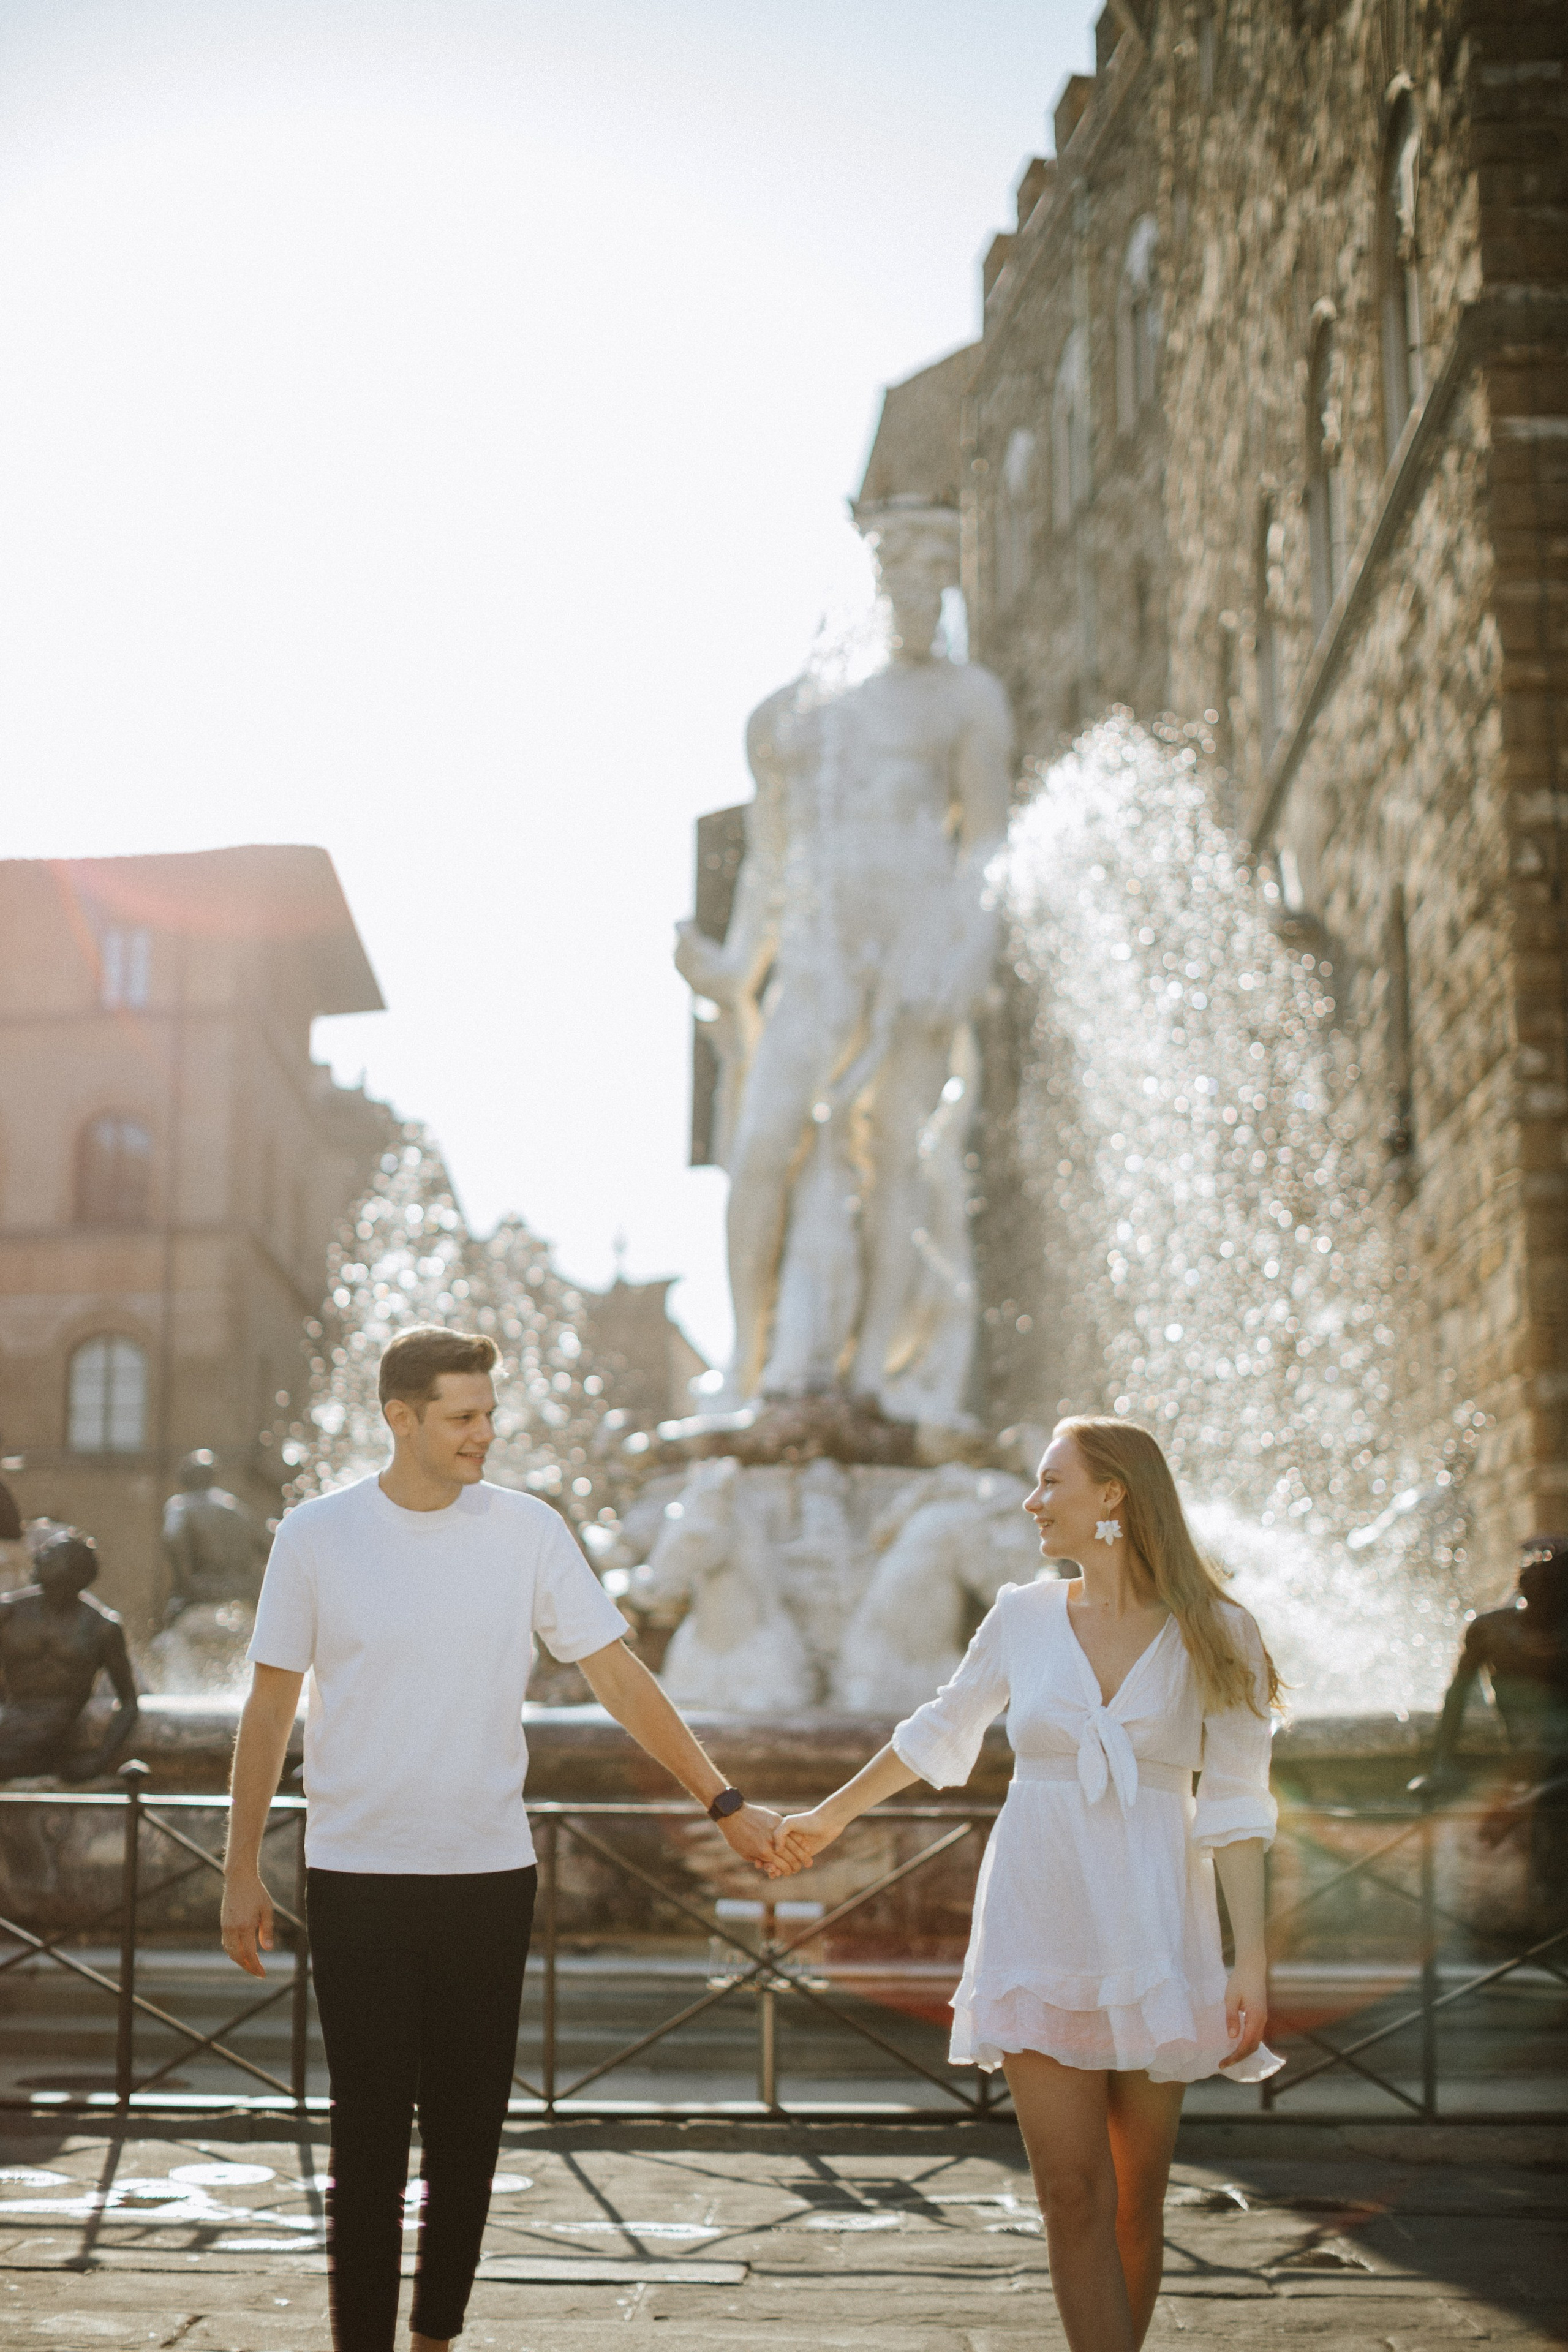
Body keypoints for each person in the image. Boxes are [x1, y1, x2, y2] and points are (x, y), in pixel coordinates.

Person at [221, 1325, 786, 2352]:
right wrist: (239, 1872)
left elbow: (619, 1680)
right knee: (369, 2135)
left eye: (489, 1412)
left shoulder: (527, 1531)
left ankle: (436, 2339)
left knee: (471, 2132)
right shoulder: (315, 1535)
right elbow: (268, 1714)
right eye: (463, 1416)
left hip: (488, 1875)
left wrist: (725, 1800)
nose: (486, 1432)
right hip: (356, 1876)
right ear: (401, 1418)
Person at [771, 1416, 1281, 2352]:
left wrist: (1249, 1963)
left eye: (1051, 1483)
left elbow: (1239, 1808)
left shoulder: (1221, 1633)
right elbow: (939, 1728)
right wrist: (829, 1816)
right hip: (1040, 1918)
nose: (1030, 1501)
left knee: (1136, 2202)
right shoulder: (1023, 1615)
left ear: (1114, 1496)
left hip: (1157, 1930)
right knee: (1070, 2191)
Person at [1419, 1534, 1568, 1926]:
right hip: (1532, 1757)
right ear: (1521, 1583)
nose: (1541, 1588)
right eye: (1532, 1577)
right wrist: (1442, 1764)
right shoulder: (1491, 1630)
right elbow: (1455, 1699)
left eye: (1554, 1582)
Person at [0, 1526, 140, 1781]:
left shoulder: (102, 1628)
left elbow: (129, 1703)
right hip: (10, 1728)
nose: (38, 1556)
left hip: (51, 1738)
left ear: (73, 1569)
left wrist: (99, 1760)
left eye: (50, 1553)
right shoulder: (8, 1614)